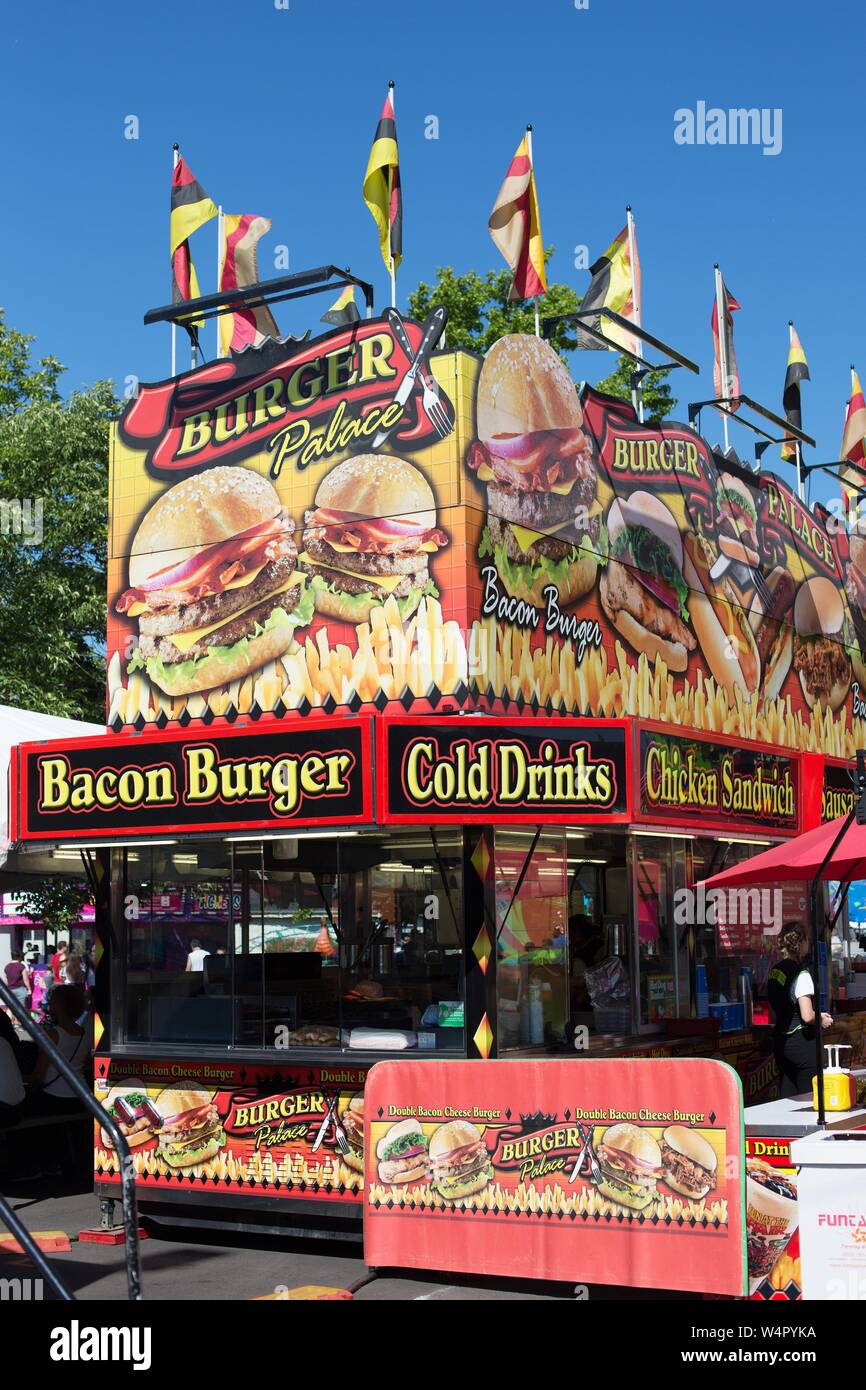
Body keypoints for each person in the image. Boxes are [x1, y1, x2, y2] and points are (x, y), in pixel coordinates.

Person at [768, 926, 833, 1098]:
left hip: (781, 1041)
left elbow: (774, 1009)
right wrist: (822, 1019)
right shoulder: (802, 974)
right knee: (809, 1096)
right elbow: (807, 1015)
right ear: (800, 944)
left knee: (788, 1096)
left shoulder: (775, 971)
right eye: (807, 941)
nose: (809, 944)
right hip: (801, 1043)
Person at [24, 985, 91, 1115]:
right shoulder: (85, 1034)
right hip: (81, 1096)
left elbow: (39, 1074)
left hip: (54, 1096)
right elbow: (85, 1062)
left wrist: (28, 1089)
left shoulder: (52, 1035)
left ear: (58, 1005)